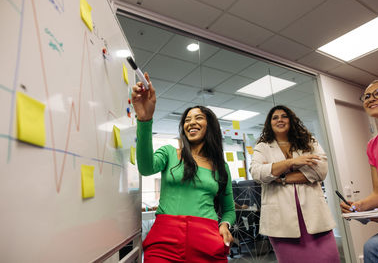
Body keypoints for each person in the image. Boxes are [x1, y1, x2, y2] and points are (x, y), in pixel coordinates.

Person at [131, 73, 235, 263]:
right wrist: (145, 120)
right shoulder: (170, 153)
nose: (191, 122)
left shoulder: (221, 166)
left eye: (198, 118)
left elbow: (228, 209)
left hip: (208, 240)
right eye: (187, 120)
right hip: (164, 240)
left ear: (210, 125)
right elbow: (145, 168)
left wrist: (225, 225)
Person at [250, 105, 340, 263]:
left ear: (291, 120)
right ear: (269, 123)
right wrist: (293, 162)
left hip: (315, 216)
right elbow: (258, 173)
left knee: (330, 259)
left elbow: (320, 171)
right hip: (281, 222)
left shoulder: (308, 142)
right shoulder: (262, 147)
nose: (280, 120)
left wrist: (280, 177)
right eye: (275, 117)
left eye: (284, 116)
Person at [340, 80, 378, 263]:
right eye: (366, 96)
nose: (370, 98)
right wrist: (358, 206)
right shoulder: (373, 146)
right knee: (373, 248)